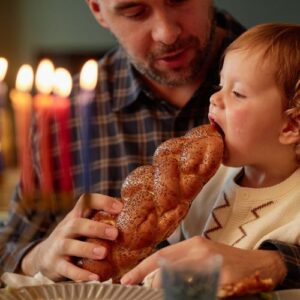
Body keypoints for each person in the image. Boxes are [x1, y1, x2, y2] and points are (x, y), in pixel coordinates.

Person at [0, 0, 298, 290]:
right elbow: (7, 247)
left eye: (179, 0)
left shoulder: (286, 73)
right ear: (97, 10)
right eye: (134, 11)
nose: (167, 33)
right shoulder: (63, 114)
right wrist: (41, 257)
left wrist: (276, 263)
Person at [120, 22, 300, 289]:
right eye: (220, 84)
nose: (215, 98)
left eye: (237, 93)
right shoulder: (207, 180)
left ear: (290, 126)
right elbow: (166, 255)